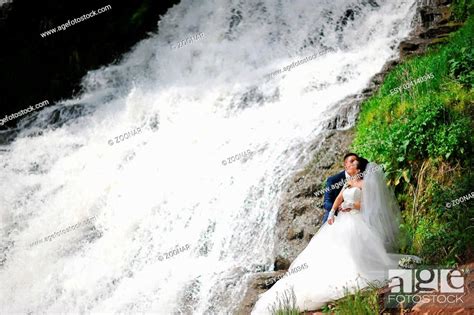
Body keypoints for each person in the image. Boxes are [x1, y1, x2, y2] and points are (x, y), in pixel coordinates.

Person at [251, 158, 418, 314]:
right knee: (330, 247)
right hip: (342, 219)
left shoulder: (365, 184)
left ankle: (357, 272)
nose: (349, 164)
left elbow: (367, 205)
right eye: (348, 162)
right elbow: (338, 198)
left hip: (355, 219)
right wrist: (332, 212)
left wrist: (351, 204)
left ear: (358, 167)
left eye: (353, 162)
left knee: (353, 247)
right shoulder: (348, 182)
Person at [322, 153, 359, 224]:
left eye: (356, 161)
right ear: (345, 165)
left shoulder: (361, 178)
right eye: (351, 161)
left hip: (356, 214)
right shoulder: (333, 180)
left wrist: (352, 206)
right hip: (335, 216)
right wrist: (338, 209)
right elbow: (327, 202)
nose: (354, 163)